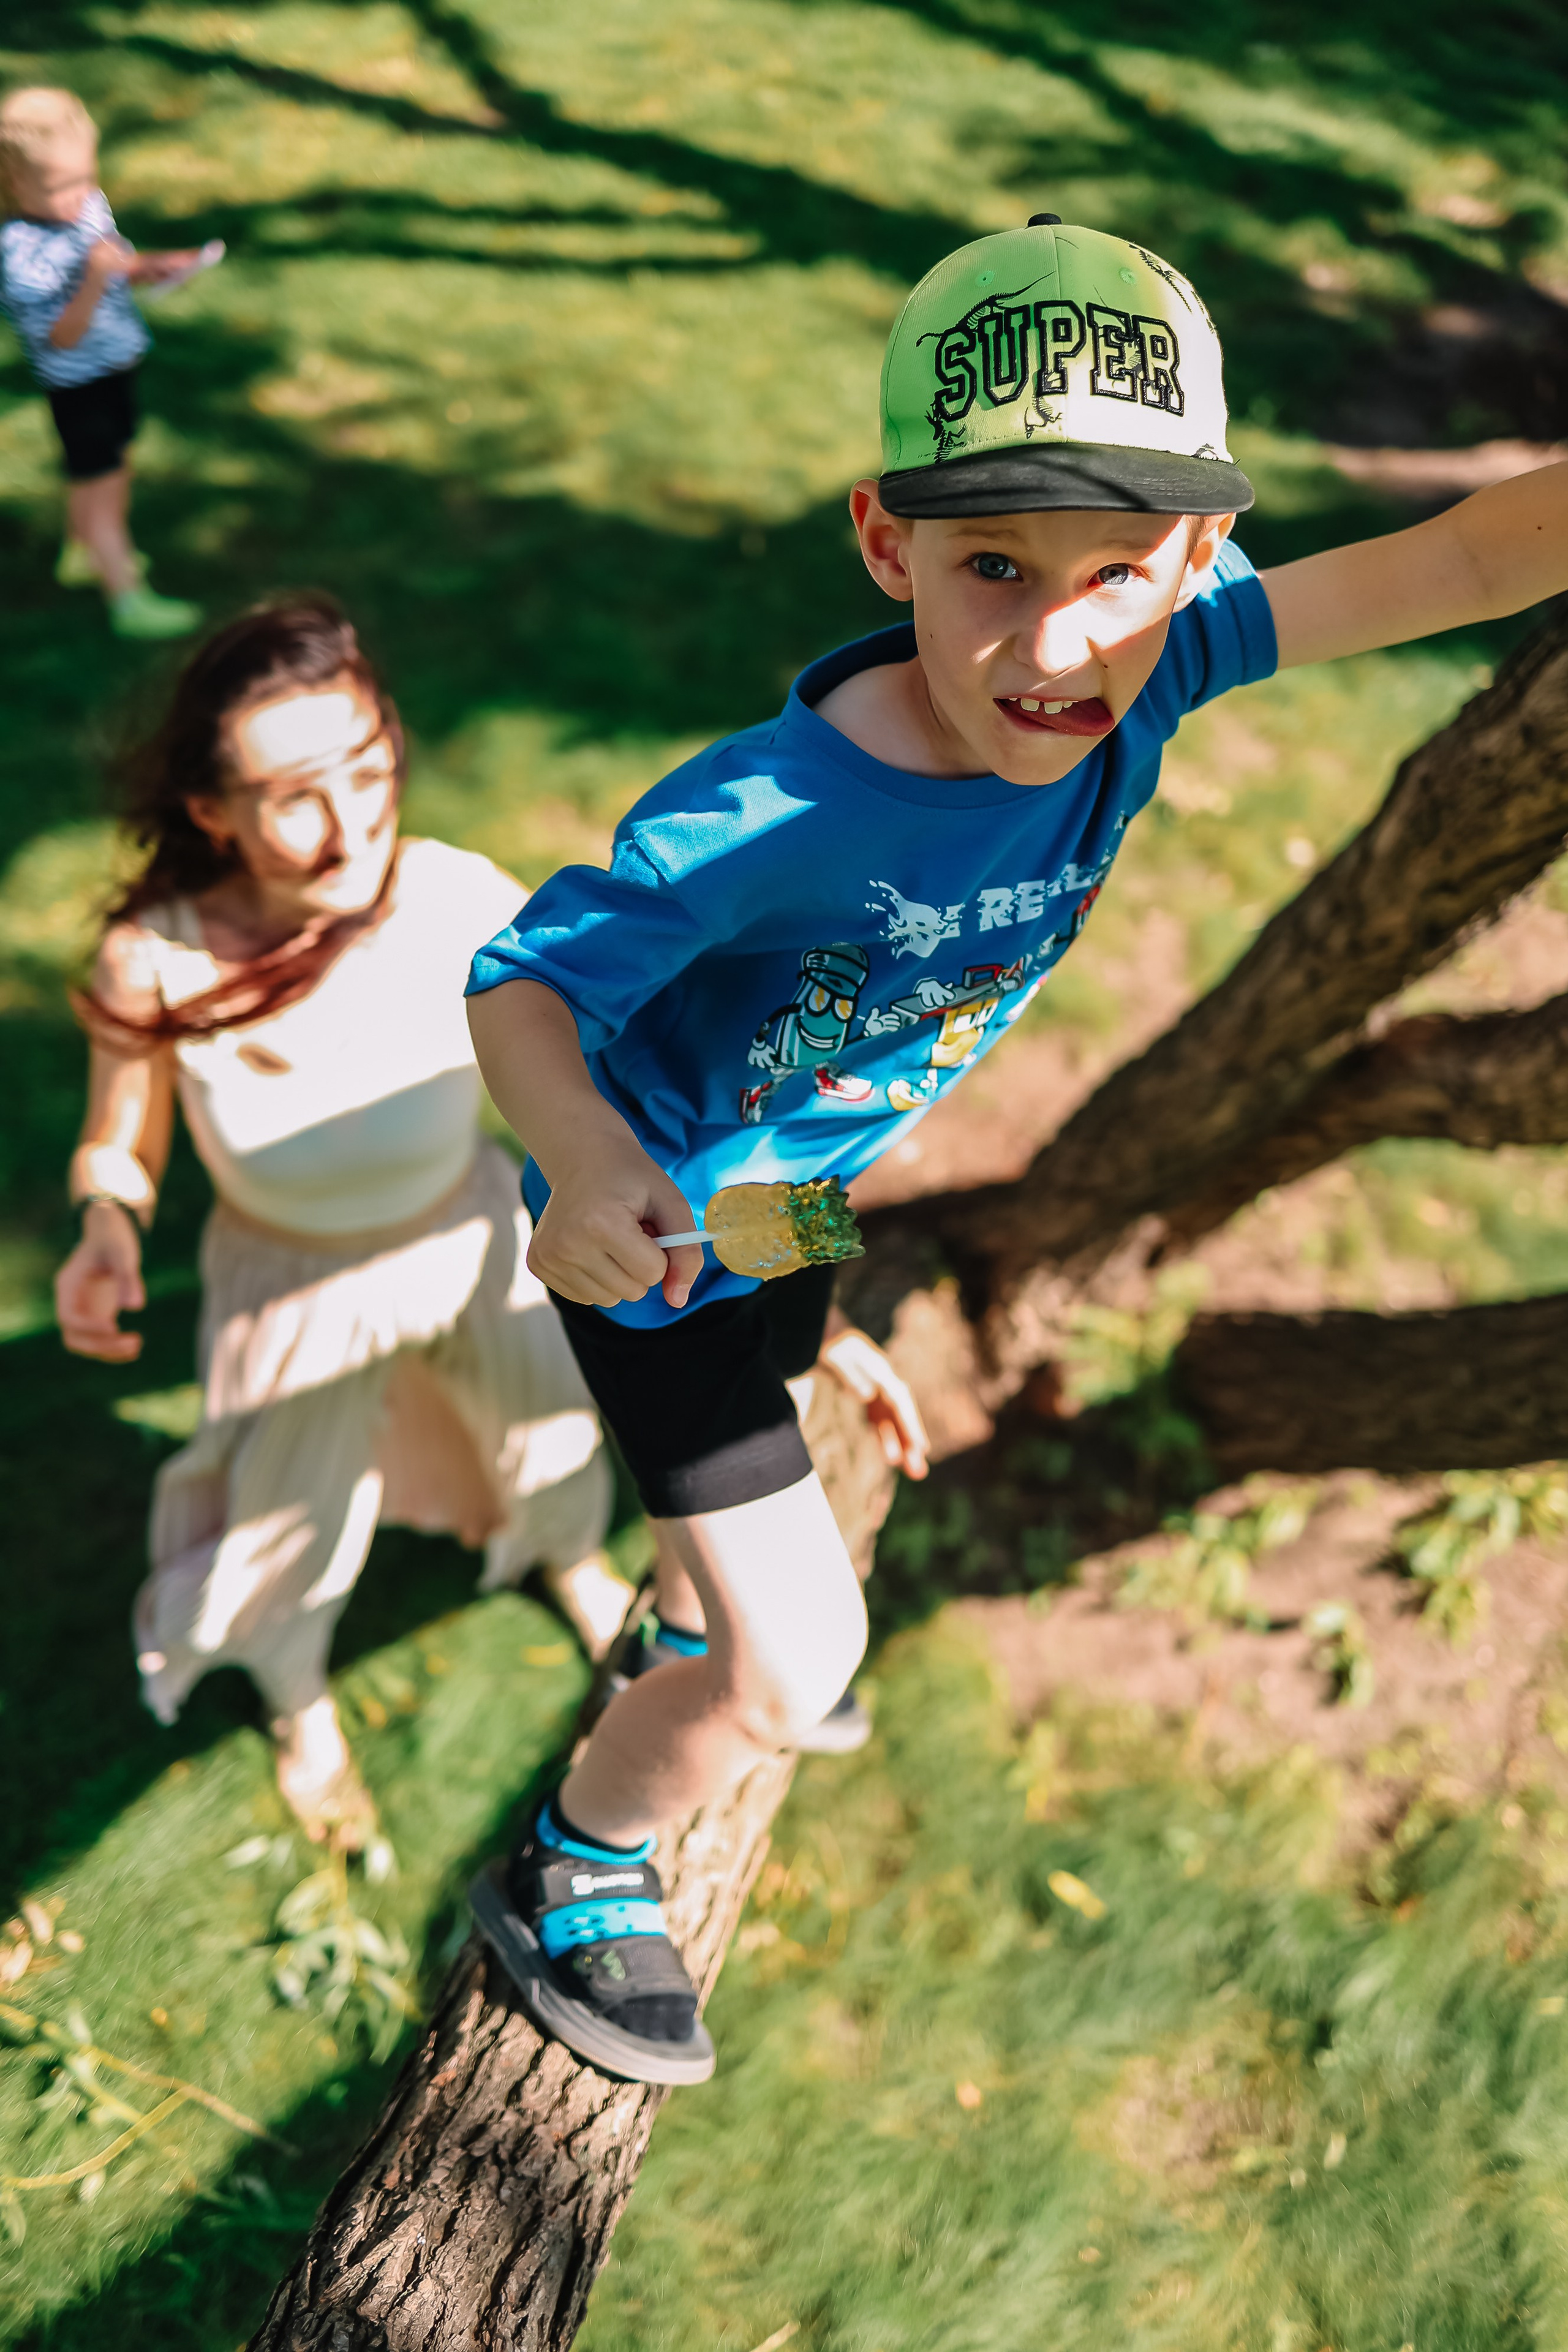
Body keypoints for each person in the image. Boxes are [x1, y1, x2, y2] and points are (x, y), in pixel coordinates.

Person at [461, 214, 1568, 2086]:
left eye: (1120, 570)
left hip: (803, 1193)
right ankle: (578, 1850)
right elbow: (522, 981)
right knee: (793, 1665)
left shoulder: (1169, 654)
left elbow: (1462, 550)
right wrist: (574, 1162)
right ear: (885, 540)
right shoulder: (761, 816)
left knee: (805, 1342)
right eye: (989, 563)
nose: (1057, 646)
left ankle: (706, 1563)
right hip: (652, 1232)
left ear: (1200, 557)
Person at [53, 596, 630, 1847]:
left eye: (368, 771)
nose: (352, 822)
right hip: (287, 1279)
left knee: (550, 1435)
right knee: (285, 1524)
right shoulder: (151, 960)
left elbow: (613, 1024)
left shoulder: (455, 897)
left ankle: (569, 1560)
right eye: (295, 795)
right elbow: (122, 1132)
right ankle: (297, 1701)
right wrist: (107, 1224)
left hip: (472, 1235)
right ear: (212, 812)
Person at [0, 85, 205, 639]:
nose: (79, 196)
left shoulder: (88, 205)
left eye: (85, 178)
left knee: (101, 468)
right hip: (78, 381)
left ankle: (80, 551)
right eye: (59, 187)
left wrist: (150, 267)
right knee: (104, 480)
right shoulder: (19, 250)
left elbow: (115, 258)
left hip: (117, 361)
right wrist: (93, 280)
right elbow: (60, 336)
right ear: (13, 183)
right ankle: (127, 597)